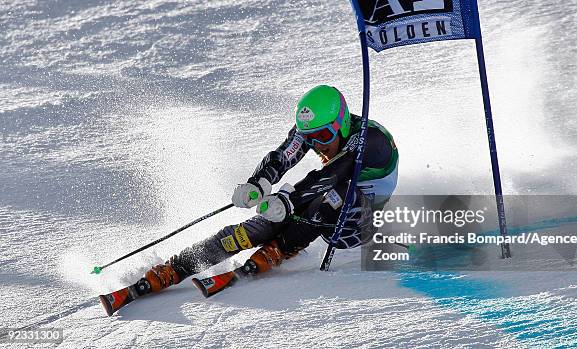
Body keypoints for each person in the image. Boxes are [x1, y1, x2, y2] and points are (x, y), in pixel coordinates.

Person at [100, 85, 399, 315]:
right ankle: (179, 266)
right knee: (266, 222)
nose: (317, 144)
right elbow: (283, 156)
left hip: (358, 222)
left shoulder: (370, 141)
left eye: (322, 136)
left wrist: (288, 199)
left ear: (341, 123)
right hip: (328, 200)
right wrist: (259, 182)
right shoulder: (314, 133)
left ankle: (280, 249)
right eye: (310, 138)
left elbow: (332, 174)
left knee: (329, 198)